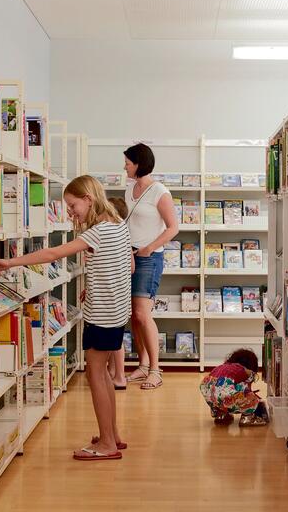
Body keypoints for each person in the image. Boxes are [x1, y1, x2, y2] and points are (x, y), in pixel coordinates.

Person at [0, 175, 131, 461]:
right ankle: (111, 434)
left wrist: (11, 262)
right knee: (102, 375)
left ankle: (106, 445)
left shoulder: (98, 231)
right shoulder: (118, 224)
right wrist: (93, 287)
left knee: (95, 375)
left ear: (88, 200)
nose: (70, 212)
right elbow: (122, 265)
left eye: (72, 205)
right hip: (115, 312)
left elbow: (53, 253)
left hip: (102, 316)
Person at [122, 144, 179, 390]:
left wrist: (147, 248)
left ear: (138, 163)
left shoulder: (160, 192)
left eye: (127, 161)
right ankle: (143, 364)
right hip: (129, 256)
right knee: (134, 315)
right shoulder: (129, 189)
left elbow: (173, 227)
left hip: (149, 258)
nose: (124, 165)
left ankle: (156, 369)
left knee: (144, 314)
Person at [199, 348, 267, 426]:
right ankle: (247, 418)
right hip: (224, 392)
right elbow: (247, 389)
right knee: (251, 397)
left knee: (219, 394)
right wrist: (254, 398)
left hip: (208, 393)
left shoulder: (221, 366)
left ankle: (220, 415)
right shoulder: (244, 370)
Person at [106, 196, 131, 390]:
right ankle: (114, 373)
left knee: (115, 340)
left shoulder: (111, 234)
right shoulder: (124, 233)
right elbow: (131, 266)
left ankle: (119, 376)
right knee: (117, 338)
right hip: (121, 295)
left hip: (112, 295)